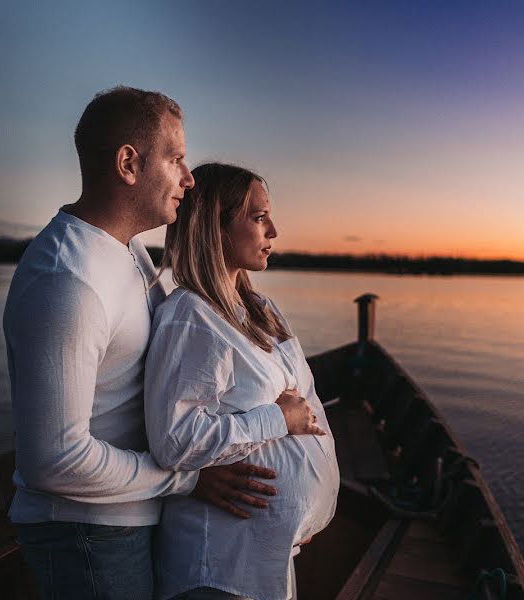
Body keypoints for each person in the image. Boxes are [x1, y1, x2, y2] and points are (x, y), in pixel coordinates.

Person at [2, 87, 279, 600]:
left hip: (125, 518)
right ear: (129, 163)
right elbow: (54, 460)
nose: (189, 178)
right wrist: (185, 480)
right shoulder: (68, 279)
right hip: (86, 532)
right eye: (175, 159)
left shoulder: (127, 252)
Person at [144, 162, 341, 600]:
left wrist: (300, 515)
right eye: (258, 217)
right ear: (216, 227)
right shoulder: (191, 317)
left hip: (267, 560)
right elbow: (175, 440)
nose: (273, 230)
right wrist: (277, 419)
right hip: (219, 567)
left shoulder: (259, 307)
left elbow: (302, 403)